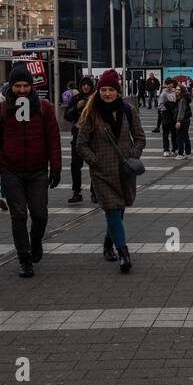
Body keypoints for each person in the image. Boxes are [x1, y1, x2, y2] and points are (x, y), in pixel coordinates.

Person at [0, 63, 62, 278]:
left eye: (25, 86)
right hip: (11, 170)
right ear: (11, 86)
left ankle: (35, 240)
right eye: (17, 86)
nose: (21, 90)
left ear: (31, 86)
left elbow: (53, 139)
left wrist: (55, 168)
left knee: (40, 214)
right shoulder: (0, 110)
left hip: (38, 170)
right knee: (18, 215)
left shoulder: (44, 107)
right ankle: (24, 257)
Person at [76, 69, 145, 274]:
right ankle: (124, 253)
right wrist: (94, 161)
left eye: (111, 90)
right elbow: (81, 144)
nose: (107, 94)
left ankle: (108, 242)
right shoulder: (92, 112)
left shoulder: (128, 110)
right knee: (113, 210)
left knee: (119, 210)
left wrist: (133, 154)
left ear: (117, 91)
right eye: (103, 90)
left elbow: (140, 137)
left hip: (125, 170)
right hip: (102, 172)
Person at [64, 76, 95, 204]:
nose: (85, 87)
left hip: (93, 137)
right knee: (75, 165)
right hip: (78, 136)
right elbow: (66, 115)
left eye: (88, 84)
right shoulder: (75, 98)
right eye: (83, 85)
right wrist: (76, 107)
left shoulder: (95, 99)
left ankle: (95, 192)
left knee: (95, 164)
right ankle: (76, 192)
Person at [157, 80, 178, 156]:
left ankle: (175, 149)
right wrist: (167, 110)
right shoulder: (163, 94)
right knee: (165, 133)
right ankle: (166, 150)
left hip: (174, 115)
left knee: (174, 133)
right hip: (166, 115)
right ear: (165, 85)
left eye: (170, 84)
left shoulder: (175, 91)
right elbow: (160, 105)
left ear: (172, 84)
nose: (169, 86)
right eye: (167, 84)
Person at [174, 86, 193, 158]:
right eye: (176, 89)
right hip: (186, 120)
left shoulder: (182, 100)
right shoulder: (184, 98)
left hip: (182, 120)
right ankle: (188, 152)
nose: (177, 91)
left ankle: (180, 153)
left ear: (182, 91)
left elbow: (181, 111)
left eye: (179, 90)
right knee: (185, 136)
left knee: (180, 137)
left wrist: (178, 121)